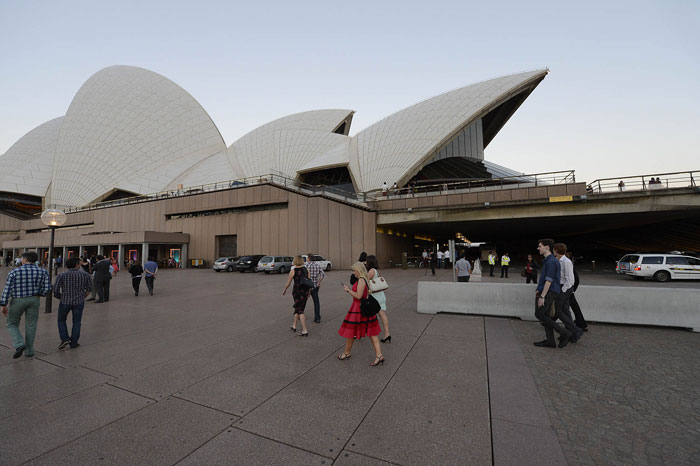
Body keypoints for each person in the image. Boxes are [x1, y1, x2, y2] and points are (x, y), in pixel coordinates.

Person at [0, 252, 51, 359]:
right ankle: (29, 350)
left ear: (25, 259)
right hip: (34, 299)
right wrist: (40, 294)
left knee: (12, 323)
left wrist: (3, 304)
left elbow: (7, 289)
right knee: (31, 324)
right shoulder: (43, 271)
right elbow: (47, 288)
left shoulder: (14, 272)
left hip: (18, 300)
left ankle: (19, 344)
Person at [338, 262, 383, 366]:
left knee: (352, 332)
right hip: (362, 308)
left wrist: (348, 290)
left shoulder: (362, 280)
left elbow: (358, 296)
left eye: (354, 270)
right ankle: (379, 355)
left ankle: (346, 353)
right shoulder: (363, 279)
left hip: (359, 308)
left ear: (359, 270)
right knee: (371, 334)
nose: (353, 272)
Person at [533, 239, 572, 348]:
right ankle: (550, 341)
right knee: (545, 315)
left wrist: (542, 296)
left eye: (540, 246)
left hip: (549, 292)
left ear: (547, 247)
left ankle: (564, 333)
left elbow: (549, 280)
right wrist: (538, 288)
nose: (538, 248)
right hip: (549, 291)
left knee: (539, 314)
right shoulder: (549, 260)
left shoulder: (550, 262)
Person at [54, 257, 92, 349]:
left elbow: (55, 290)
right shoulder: (85, 275)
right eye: (79, 263)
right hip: (79, 302)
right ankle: (74, 342)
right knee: (77, 322)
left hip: (65, 301)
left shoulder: (61, 275)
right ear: (76, 265)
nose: (80, 264)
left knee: (61, 320)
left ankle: (64, 338)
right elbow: (89, 289)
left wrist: (60, 297)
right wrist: (83, 297)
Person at [553, 243, 583, 342]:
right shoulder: (558, 261)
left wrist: (563, 290)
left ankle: (576, 330)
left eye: (554, 249)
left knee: (558, 310)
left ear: (556, 250)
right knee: (565, 310)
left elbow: (570, 279)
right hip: (562, 287)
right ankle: (570, 333)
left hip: (565, 288)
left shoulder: (566, 262)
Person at [283, 255, 310, 336]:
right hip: (305, 291)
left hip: (297, 291)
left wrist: (285, 289)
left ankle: (305, 330)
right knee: (298, 307)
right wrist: (309, 292)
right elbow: (309, 282)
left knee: (300, 310)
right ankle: (294, 325)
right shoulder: (306, 270)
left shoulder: (293, 270)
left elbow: (289, 282)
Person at [366, 255, 391, 343]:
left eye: (367, 261)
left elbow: (364, 280)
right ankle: (387, 334)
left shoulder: (372, 271)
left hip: (376, 297)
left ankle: (385, 333)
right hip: (380, 295)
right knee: (382, 315)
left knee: (379, 314)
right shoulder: (376, 271)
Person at [566, 252, 588, 332]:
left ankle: (550, 321)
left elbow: (574, 279)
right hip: (571, 289)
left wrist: (572, 290)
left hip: (568, 289)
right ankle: (581, 325)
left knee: (562, 308)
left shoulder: (567, 264)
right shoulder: (569, 264)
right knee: (573, 307)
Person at [305, 253, 325, 323]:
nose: (306, 259)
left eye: (307, 257)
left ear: (309, 258)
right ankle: (317, 317)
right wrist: (319, 282)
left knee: (304, 300)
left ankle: (299, 314)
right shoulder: (317, 265)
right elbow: (322, 274)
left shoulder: (306, 265)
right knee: (316, 302)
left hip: (307, 286)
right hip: (315, 286)